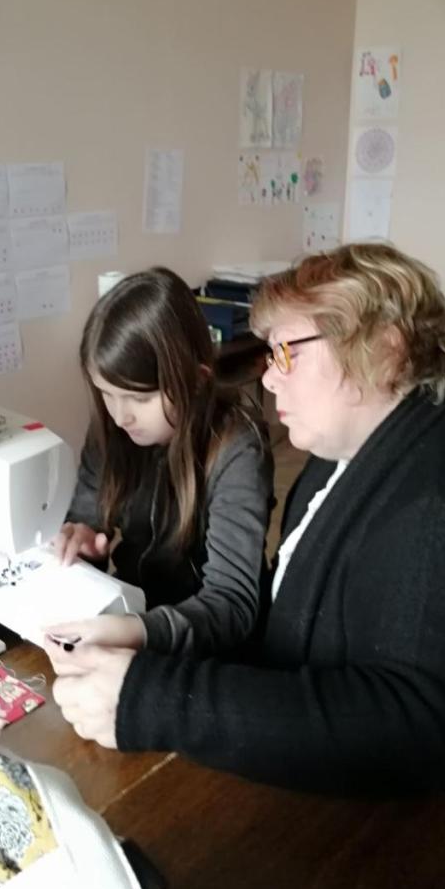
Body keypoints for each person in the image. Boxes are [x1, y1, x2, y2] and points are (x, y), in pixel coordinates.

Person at [48, 243, 445, 840]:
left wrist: (152, 699)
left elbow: (409, 727)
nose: (267, 374)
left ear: (384, 348)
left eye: (287, 352)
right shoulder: (346, 453)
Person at [49, 266, 274, 657]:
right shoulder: (113, 429)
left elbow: (231, 603)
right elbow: (86, 518)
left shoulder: (237, 448)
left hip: (212, 649)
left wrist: (138, 631)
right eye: (106, 394)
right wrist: (83, 544)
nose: (121, 416)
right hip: (135, 613)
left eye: (139, 398)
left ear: (197, 380)